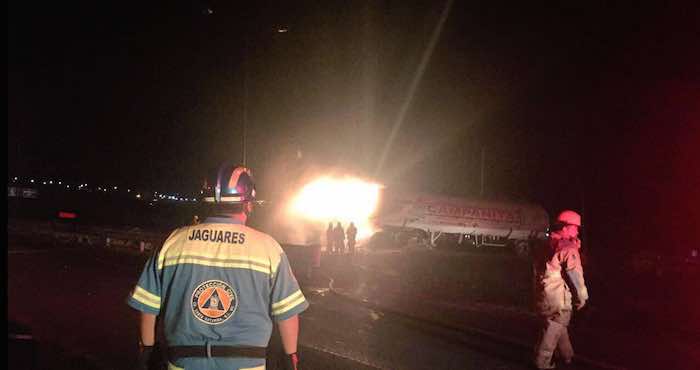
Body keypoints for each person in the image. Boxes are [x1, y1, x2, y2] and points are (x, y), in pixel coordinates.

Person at [127, 164, 308, 370]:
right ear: (248, 204)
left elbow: (147, 307)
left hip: (183, 363)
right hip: (247, 364)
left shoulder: (172, 243)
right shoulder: (268, 249)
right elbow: (287, 314)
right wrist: (289, 355)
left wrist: (148, 351)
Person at [532, 210, 589, 369]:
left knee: (558, 326)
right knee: (553, 328)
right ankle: (542, 363)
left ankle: (568, 357)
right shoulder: (567, 248)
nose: (577, 231)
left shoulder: (547, 244)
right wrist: (582, 297)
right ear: (565, 227)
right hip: (559, 298)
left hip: (545, 295)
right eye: (575, 227)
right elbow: (575, 276)